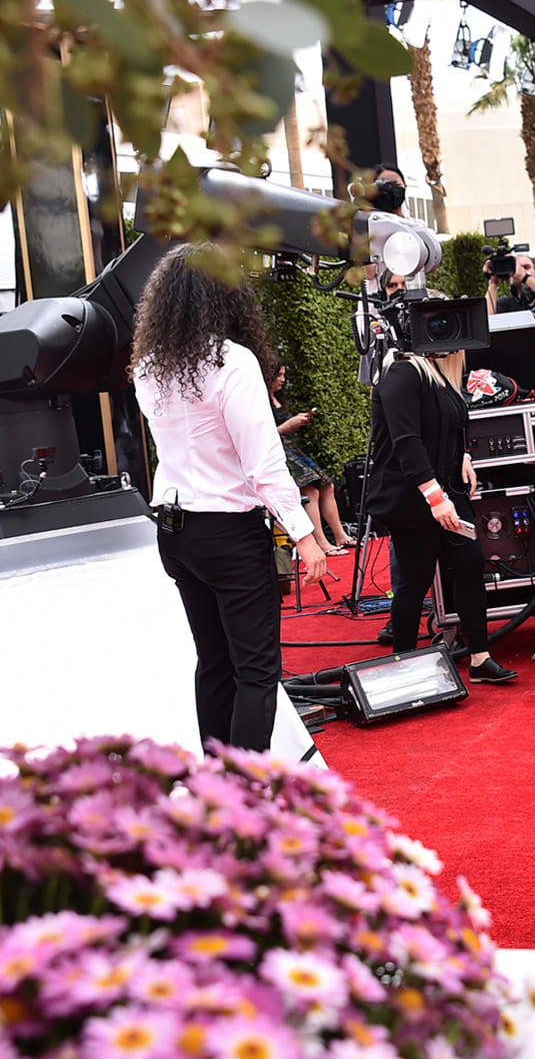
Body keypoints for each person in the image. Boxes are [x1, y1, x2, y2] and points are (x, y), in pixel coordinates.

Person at [132, 243, 327, 752]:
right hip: (228, 532)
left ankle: (218, 790)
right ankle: (246, 796)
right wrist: (305, 537)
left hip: (174, 531)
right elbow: (263, 462)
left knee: (214, 662)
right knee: (257, 671)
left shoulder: (150, 367)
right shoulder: (232, 362)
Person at [364, 343, 517, 685]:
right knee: (414, 583)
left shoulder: (441, 377)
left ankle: (480, 657)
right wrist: (435, 498)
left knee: (470, 564)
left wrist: (463, 455)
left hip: (448, 490)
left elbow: (450, 425)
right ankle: (403, 665)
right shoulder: (404, 372)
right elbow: (407, 442)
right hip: (414, 497)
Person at [269, 362, 355, 555]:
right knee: (310, 490)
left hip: (290, 448)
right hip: (277, 451)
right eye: (279, 375)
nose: (283, 379)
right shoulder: (258, 398)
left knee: (327, 486)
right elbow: (264, 434)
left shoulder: (276, 397)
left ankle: (340, 535)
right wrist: (288, 425)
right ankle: (321, 543)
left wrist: (294, 423)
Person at [484, 252, 535, 320]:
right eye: (516, 269)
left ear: (534, 272)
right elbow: (488, 321)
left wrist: (523, 277)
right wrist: (493, 280)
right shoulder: (506, 303)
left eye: (526, 267)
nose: (521, 271)